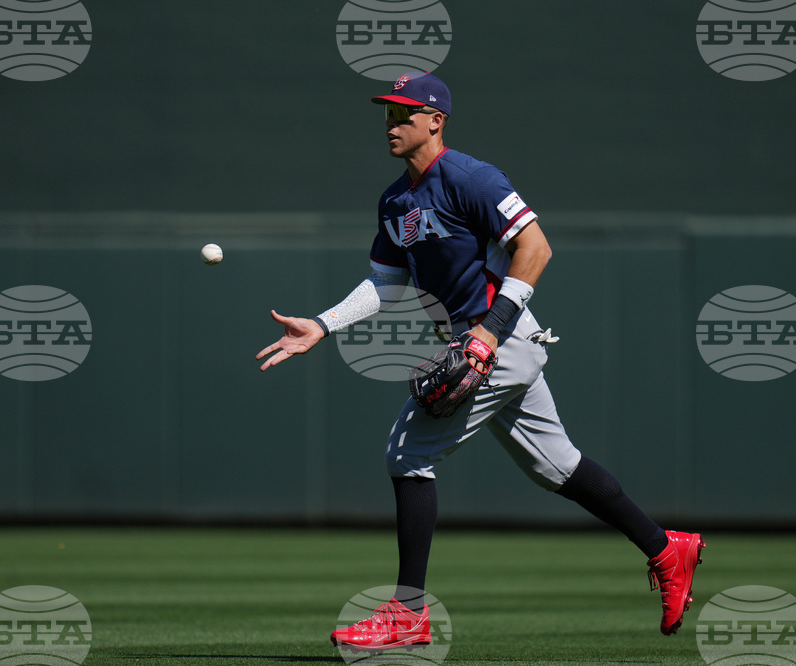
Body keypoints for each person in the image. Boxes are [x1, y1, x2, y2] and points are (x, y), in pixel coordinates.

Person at [257, 72, 704, 651]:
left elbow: (536, 248)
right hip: (474, 344)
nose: (391, 124)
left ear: (435, 120)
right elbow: (387, 282)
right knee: (557, 467)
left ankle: (409, 614)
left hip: (500, 339)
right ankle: (668, 550)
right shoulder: (396, 198)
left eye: (403, 113)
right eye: (387, 113)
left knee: (406, 453)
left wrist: (489, 336)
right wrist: (323, 323)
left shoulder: (470, 177)